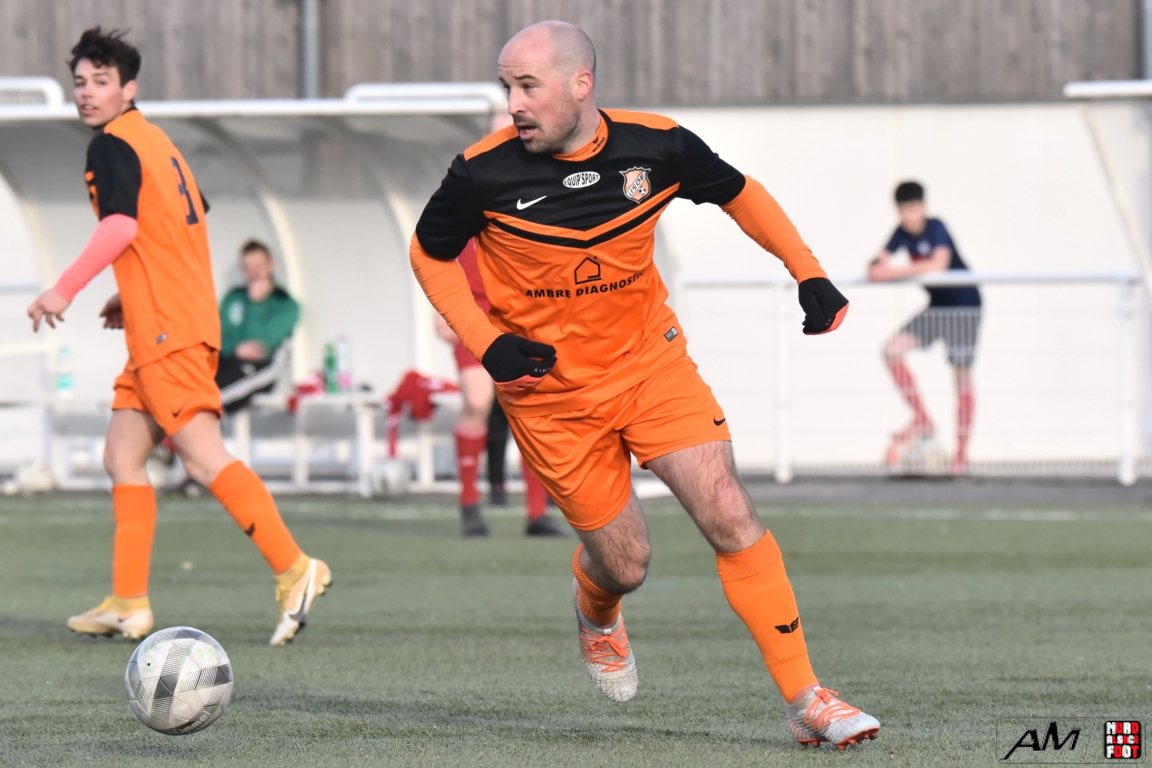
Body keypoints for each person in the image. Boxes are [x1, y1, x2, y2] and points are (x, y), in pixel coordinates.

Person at [409, 21, 879, 749]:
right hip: (553, 398)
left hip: (651, 368)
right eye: (507, 88)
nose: (514, 104)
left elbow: (742, 194)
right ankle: (597, 610)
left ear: (581, 84)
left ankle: (806, 699)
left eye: (527, 86)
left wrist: (807, 271)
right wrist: (487, 343)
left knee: (729, 511)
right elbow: (429, 254)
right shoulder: (481, 173)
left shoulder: (657, 145)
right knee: (627, 564)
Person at [26, 28, 330, 647]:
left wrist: (65, 288)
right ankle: (128, 602)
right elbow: (177, 227)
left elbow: (120, 226)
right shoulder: (157, 142)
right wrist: (131, 291)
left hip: (169, 329)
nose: (87, 93)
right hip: (164, 323)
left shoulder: (111, 144)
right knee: (122, 456)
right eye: (80, 82)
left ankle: (296, 568)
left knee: (201, 456)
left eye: (101, 81)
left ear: (129, 88)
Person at [435, 238, 567, 538]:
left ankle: (537, 513)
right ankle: (469, 502)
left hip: (520, 310)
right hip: (470, 309)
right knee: (477, 402)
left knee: (532, 408)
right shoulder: (464, 211)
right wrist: (438, 306)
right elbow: (438, 244)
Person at [867, 181, 981, 473]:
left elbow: (939, 265)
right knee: (892, 350)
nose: (909, 215)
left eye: (914, 208)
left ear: (923, 207)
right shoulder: (900, 233)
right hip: (938, 305)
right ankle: (922, 418)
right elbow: (875, 270)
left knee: (962, 377)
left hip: (965, 304)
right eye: (904, 209)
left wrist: (896, 272)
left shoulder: (936, 227)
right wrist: (911, 270)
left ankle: (961, 456)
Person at [216, 239, 300, 413]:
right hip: (226, 361)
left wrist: (256, 303)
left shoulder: (285, 304)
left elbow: (260, 347)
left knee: (213, 397)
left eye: (259, 266)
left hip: (261, 369)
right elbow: (218, 336)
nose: (254, 273)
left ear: (271, 264)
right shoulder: (233, 298)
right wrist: (235, 349)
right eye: (248, 267)